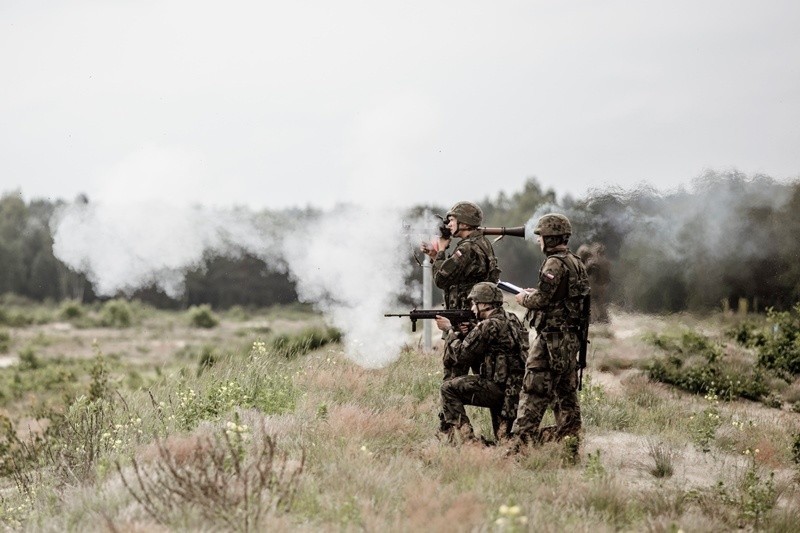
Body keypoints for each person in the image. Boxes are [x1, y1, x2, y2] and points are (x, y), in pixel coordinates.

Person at [511, 213, 590, 451]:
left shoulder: (553, 263)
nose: (538, 241)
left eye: (541, 236)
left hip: (551, 340)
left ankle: (518, 449)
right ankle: (571, 447)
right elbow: (562, 296)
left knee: (533, 389)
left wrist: (524, 298)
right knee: (566, 396)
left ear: (550, 238)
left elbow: (543, 299)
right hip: (569, 340)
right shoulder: (576, 262)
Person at [435, 282, 528, 443]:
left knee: (447, 389)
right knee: (505, 440)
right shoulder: (512, 318)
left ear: (484, 304)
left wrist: (449, 331)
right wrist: (472, 329)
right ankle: (555, 437)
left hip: (496, 389)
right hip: (514, 391)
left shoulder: (487, 325)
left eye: (474, 304)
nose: (472, 308)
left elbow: (461, 355)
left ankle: (469, 442)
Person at [420, 201, 500, 380]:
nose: (448, 224)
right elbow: (455, 276)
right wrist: (434, 257)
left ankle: (450, 408)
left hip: (464, 322)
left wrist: (440, 251)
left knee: (452, 382)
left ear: (463, 223)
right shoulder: (481, 242)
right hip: (475, 318)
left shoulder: (467, 247)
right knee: (486, 378)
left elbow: (441, 279)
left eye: (452, 220)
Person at [576, 242, 611, 324]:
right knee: (599, 303)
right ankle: (603, 320)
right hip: (600, 285)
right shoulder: (604, 262)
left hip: (593, 285)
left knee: (591, 303)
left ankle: (594, 320)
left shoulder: (590, 263)